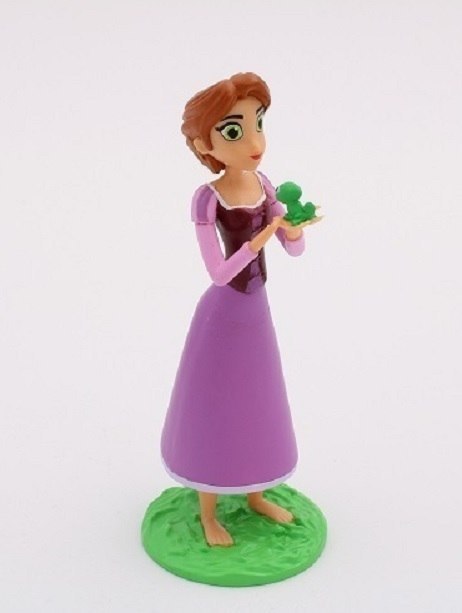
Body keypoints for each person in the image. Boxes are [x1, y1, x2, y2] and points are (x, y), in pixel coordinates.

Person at [161, 73, 314, 547]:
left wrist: (293, 228)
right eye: (234, 130)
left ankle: (255, 494)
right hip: (224, 315)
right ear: (203, 144)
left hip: (256, 312)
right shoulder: (208, 199)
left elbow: (295, 251)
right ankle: (209, 513)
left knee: (257, 401)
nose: (254, 142)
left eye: (258, 123)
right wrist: (263, 236)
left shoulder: (264, 183)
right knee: (218, 405)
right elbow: (219, 272)